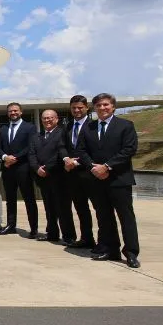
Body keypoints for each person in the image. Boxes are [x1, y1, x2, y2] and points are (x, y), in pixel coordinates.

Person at [76, 93, 140, 268]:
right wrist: (93, 167)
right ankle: (111, 249)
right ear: (94, 108)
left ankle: (131, 252)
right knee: (104, 217)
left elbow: (129, 149)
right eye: (98, 105)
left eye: (105, 105)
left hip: (119, 179)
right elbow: (81, 151)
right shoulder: (89, 127)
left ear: (113, 107)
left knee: (126, 217)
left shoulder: (125, 125)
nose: (102, 108)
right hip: (97, 179)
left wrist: (107, 166)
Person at [29, 110, 74, 244]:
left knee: (63, 208)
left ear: (56, 119)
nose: (47, 121)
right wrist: (37, 168)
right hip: (42, 178)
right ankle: (52, 234)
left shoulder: (62, 133)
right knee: (49, 207)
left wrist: (47, 168)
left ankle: (68, 236)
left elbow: (60, 153)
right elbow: (31, 154)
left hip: (58, 176)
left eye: (50, 118)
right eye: (44, 118)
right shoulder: (36, 136)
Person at [0, 102, 39, 237]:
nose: (13, 113)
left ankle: (33, 228)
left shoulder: (30, 127)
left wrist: (14, 158)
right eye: (10, 111)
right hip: (7, 168)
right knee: (10, 198)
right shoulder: (3, 128)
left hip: (23, 168)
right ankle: (11, 225)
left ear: (21, 112)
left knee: (29, 198)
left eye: (15, 111)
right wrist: (4, 157)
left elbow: (30, 147)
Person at [62, 95, 97, 250]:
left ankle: (104, 242)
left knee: (99, 209)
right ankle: (86, 238)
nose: (76, 110)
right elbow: (62, 145)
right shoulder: (67, 126)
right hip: (72, 175)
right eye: (74, 108)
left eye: (80, 107)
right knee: (81, 208)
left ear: (86, 108)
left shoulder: (93, 126)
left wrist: (76, 162)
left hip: (90, 173)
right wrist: (66, 159)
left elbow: (95, 150)